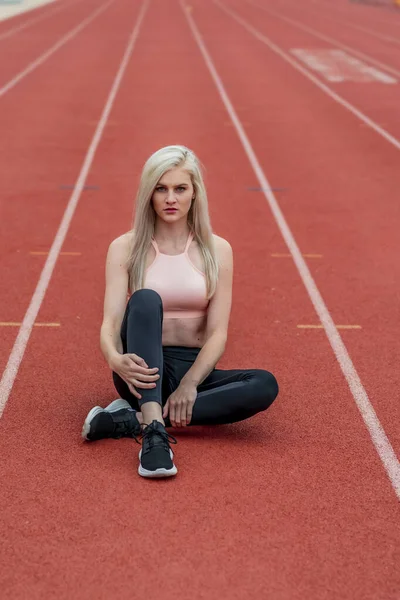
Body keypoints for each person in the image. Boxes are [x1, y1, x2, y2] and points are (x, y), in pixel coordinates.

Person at [81, 145, 279, 479]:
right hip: (142, 371)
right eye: (161, 188)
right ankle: (155, 440)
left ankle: (134, 419)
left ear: (194, 194)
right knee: (144, 298)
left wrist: (190, 384)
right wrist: (116, 360)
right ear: (149, 194)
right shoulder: (126, 247)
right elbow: (111, 324)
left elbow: (217, 333)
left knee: (264, 385)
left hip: (192, 368)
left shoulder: (217, 250)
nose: (170, 198)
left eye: (180, 188)